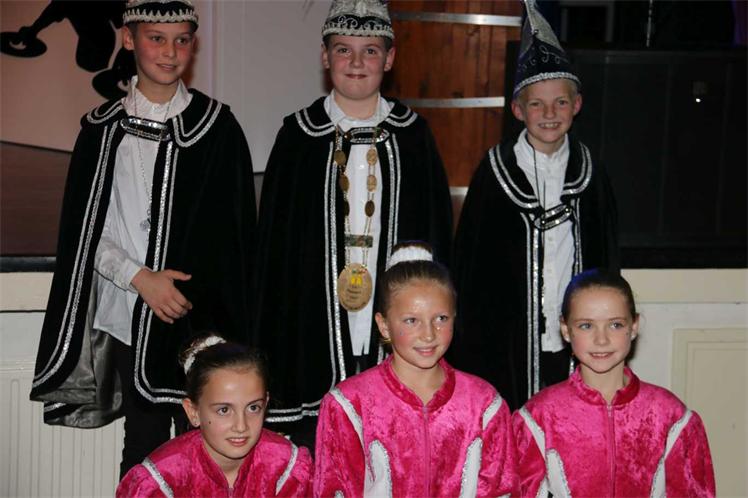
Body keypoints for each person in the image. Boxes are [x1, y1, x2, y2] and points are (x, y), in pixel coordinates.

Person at [29, 0, 256, 478]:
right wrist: (140, 277)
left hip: (199, 319)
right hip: (129, 317)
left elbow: (234, 238)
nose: (170, 52)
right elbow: (86, 232)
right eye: (156, 38)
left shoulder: (217, 127)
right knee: (144, 447)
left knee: (209, 452)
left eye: (181, 40)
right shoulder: (100, 130)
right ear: (129, 39)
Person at [254, 0, 452, 445]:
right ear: (325, 57)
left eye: (370, 51)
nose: (357, 62)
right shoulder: (298, 137)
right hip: (314, 315)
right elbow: (275, 251)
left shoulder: (414, 136)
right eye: (344, 50)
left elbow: (436, 234)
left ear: (390, 58)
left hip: (393, 315)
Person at [449, 0, 618, 409]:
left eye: (560, 102)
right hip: (506, 342)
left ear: (576, 105)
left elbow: (607, 255)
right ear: (517, 110)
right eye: (536, 104)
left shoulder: (591, 172)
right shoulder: (495, 173)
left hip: (574, 339)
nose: (549, 113)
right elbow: (471, 265)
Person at [314, 242, 518, 497]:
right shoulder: (348, 405)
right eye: (412, 320)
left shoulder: (483, 404)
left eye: (441, 318)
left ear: (455, 317)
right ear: (384, 325)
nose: (429, 334)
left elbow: (502, 490)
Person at [512, 269, 716, 497]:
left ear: (634, 326)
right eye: (586, 326)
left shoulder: (670, 416)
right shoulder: (538, 417)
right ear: (566, 330)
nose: (601, 340)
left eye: (615, 325)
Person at [117, 335, 312, 497]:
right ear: (193, 412)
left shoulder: (287, 470)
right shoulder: (162, 481)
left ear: (265, 403)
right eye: (224, 410)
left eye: (253, 408)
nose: (241, 426)